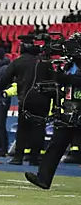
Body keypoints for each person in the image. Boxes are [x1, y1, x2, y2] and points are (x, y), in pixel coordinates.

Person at [0, 37, 51, 165]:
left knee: (23, 129)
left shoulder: (18, 62)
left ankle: (18, 157)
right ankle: (35, 158)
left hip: (26, 99)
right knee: (39, 129)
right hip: (43, 100)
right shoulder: (44, 63)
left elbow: (4, 80)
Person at [25, 52, 81, 190]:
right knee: (56, 144)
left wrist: (64, 78)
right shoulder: (71, 64)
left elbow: (75, 81)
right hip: (69, 110)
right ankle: (43, 179)